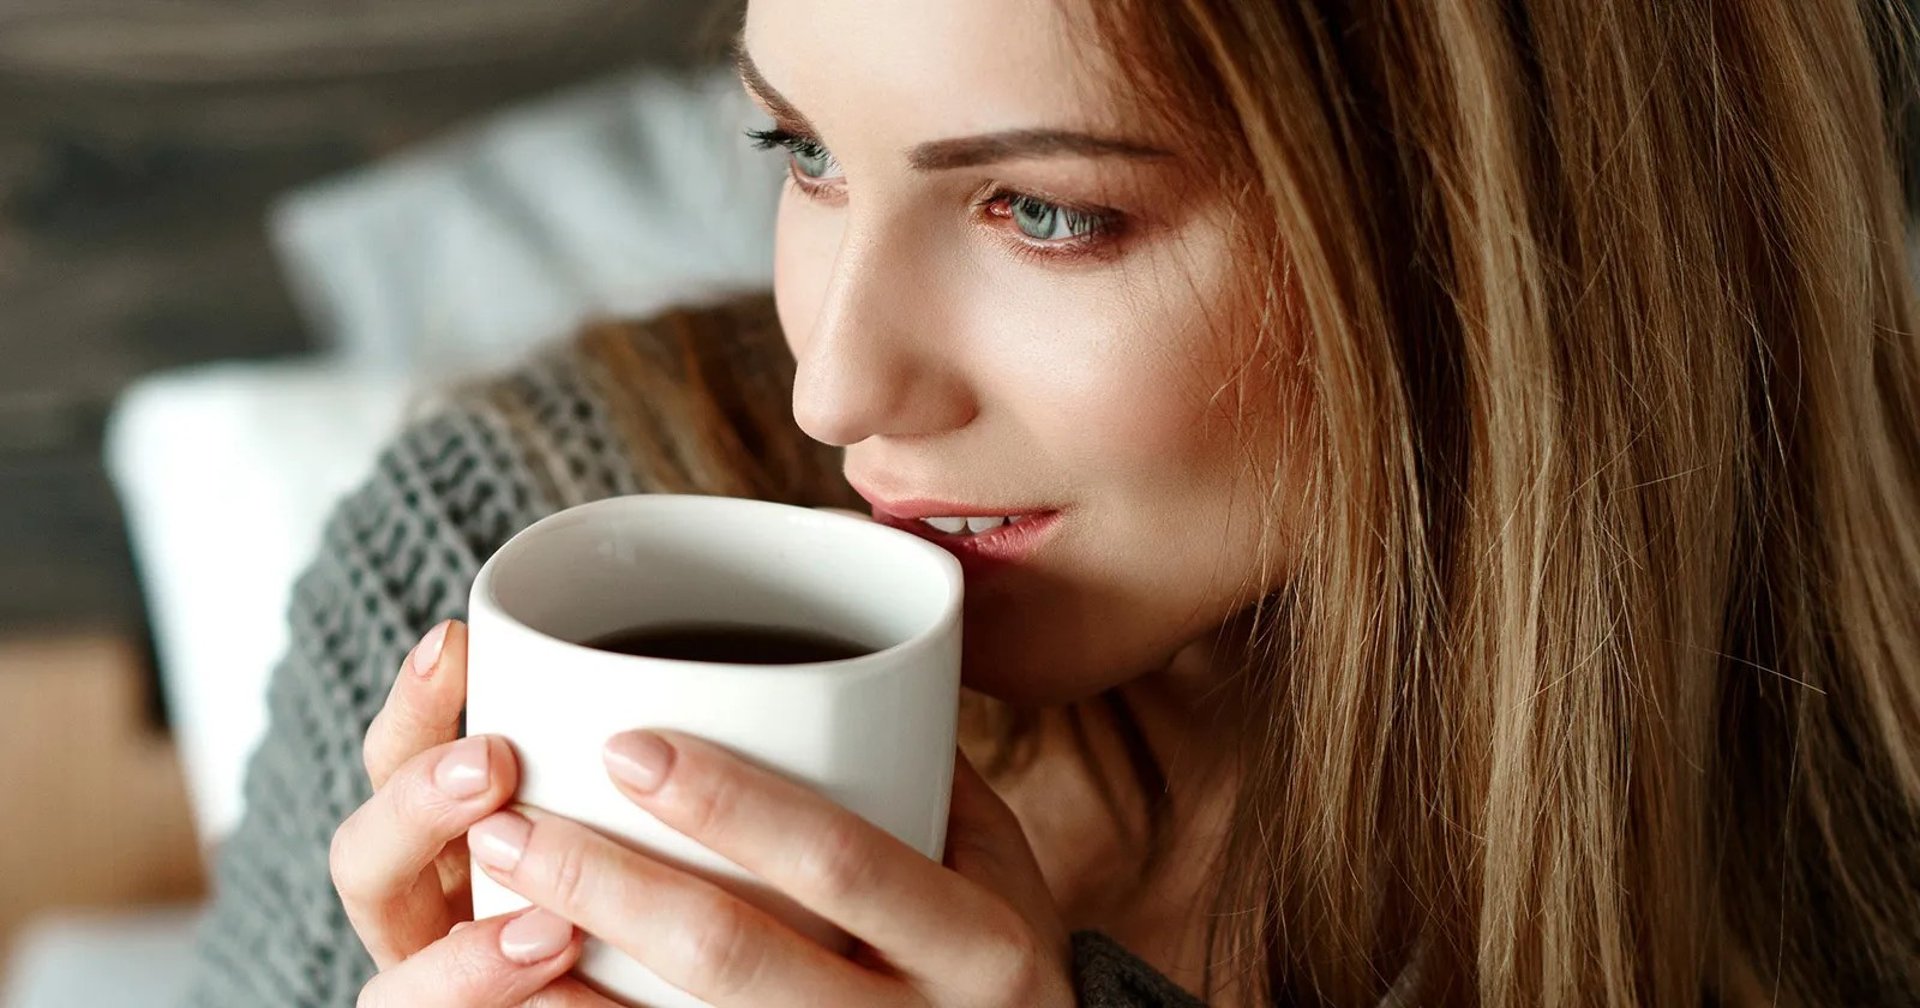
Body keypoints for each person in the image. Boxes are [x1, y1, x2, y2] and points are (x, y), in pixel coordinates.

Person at [179, 0, 1920, 1004]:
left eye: (1047, 213)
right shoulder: (516, 538)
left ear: (1510, 241)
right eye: (804, 156)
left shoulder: (1848, 850)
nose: (835, 389)